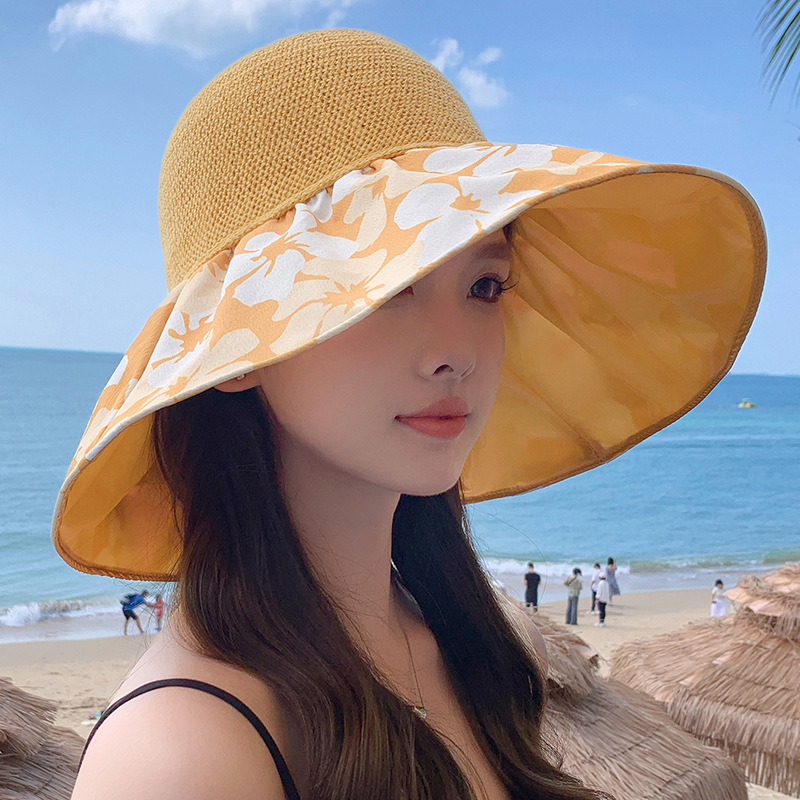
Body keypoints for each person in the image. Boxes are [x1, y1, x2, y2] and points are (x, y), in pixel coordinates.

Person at [51, 28, 764, 800]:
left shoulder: (479, 642)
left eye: (484, 286)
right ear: (238, 349)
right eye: (387, 290)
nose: (457, 352)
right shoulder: (180, 758)